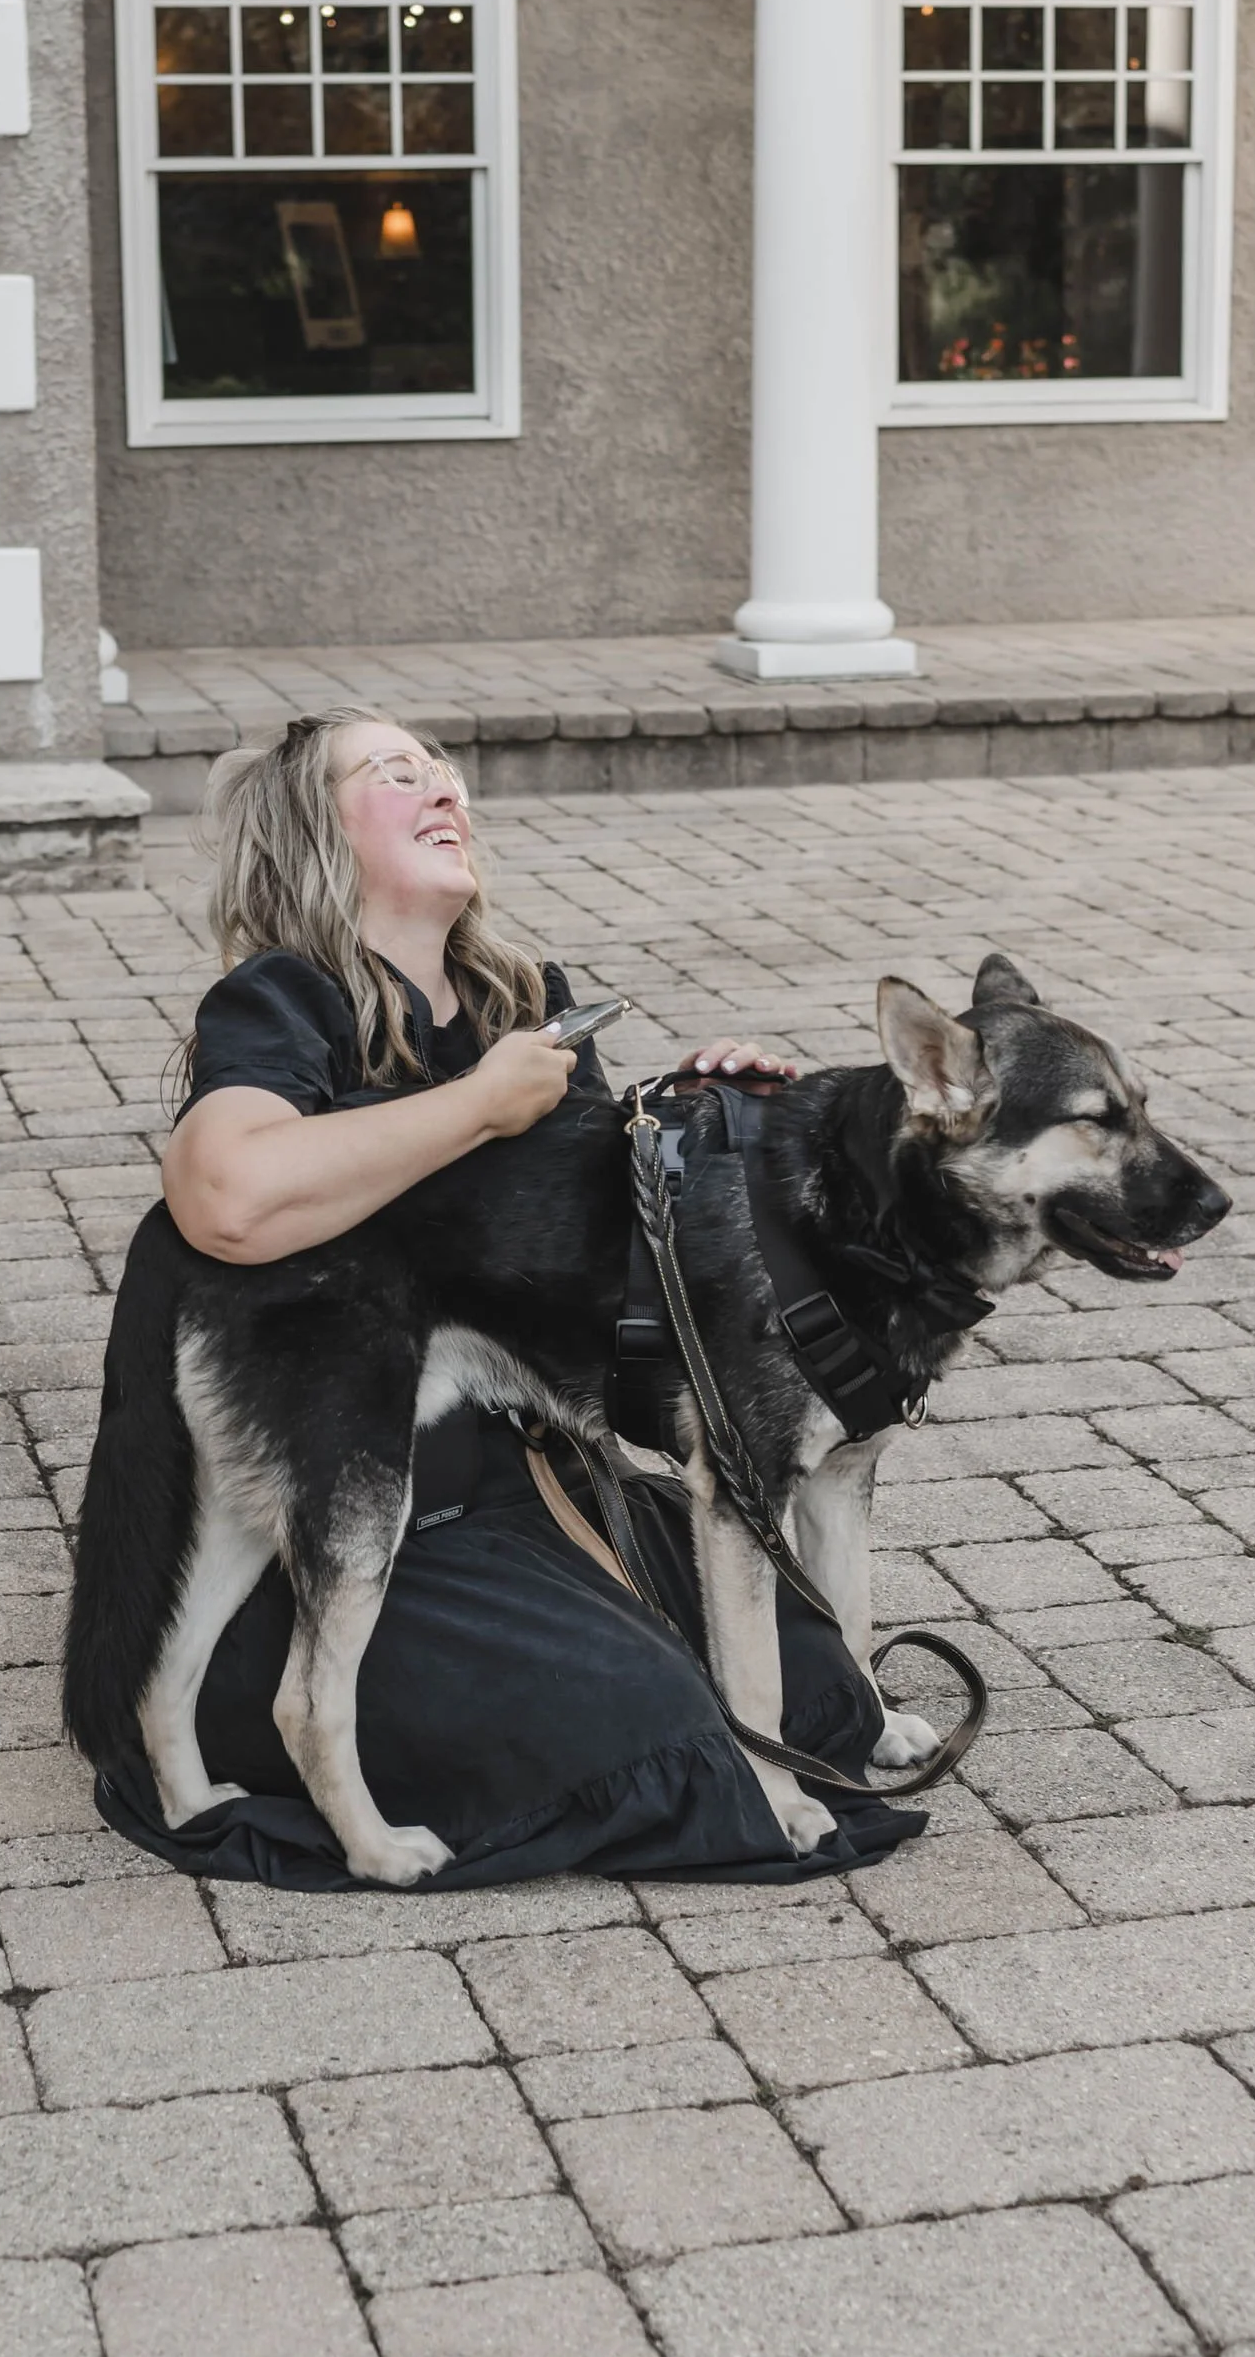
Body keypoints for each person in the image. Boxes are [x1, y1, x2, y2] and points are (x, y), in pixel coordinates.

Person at [88, 709, 922, 1888]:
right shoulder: (285, 999)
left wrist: (701, 1122)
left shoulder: (521, 999)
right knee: (674, 1751)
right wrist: (480, 1103)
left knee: (821, 1693)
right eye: (394, 773)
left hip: (523, 1487)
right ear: (314, 833)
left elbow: (582, 1243)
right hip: (361, 1492)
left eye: (445, 772)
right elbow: (223, 1195)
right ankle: (276, 1729)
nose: (443, 790)